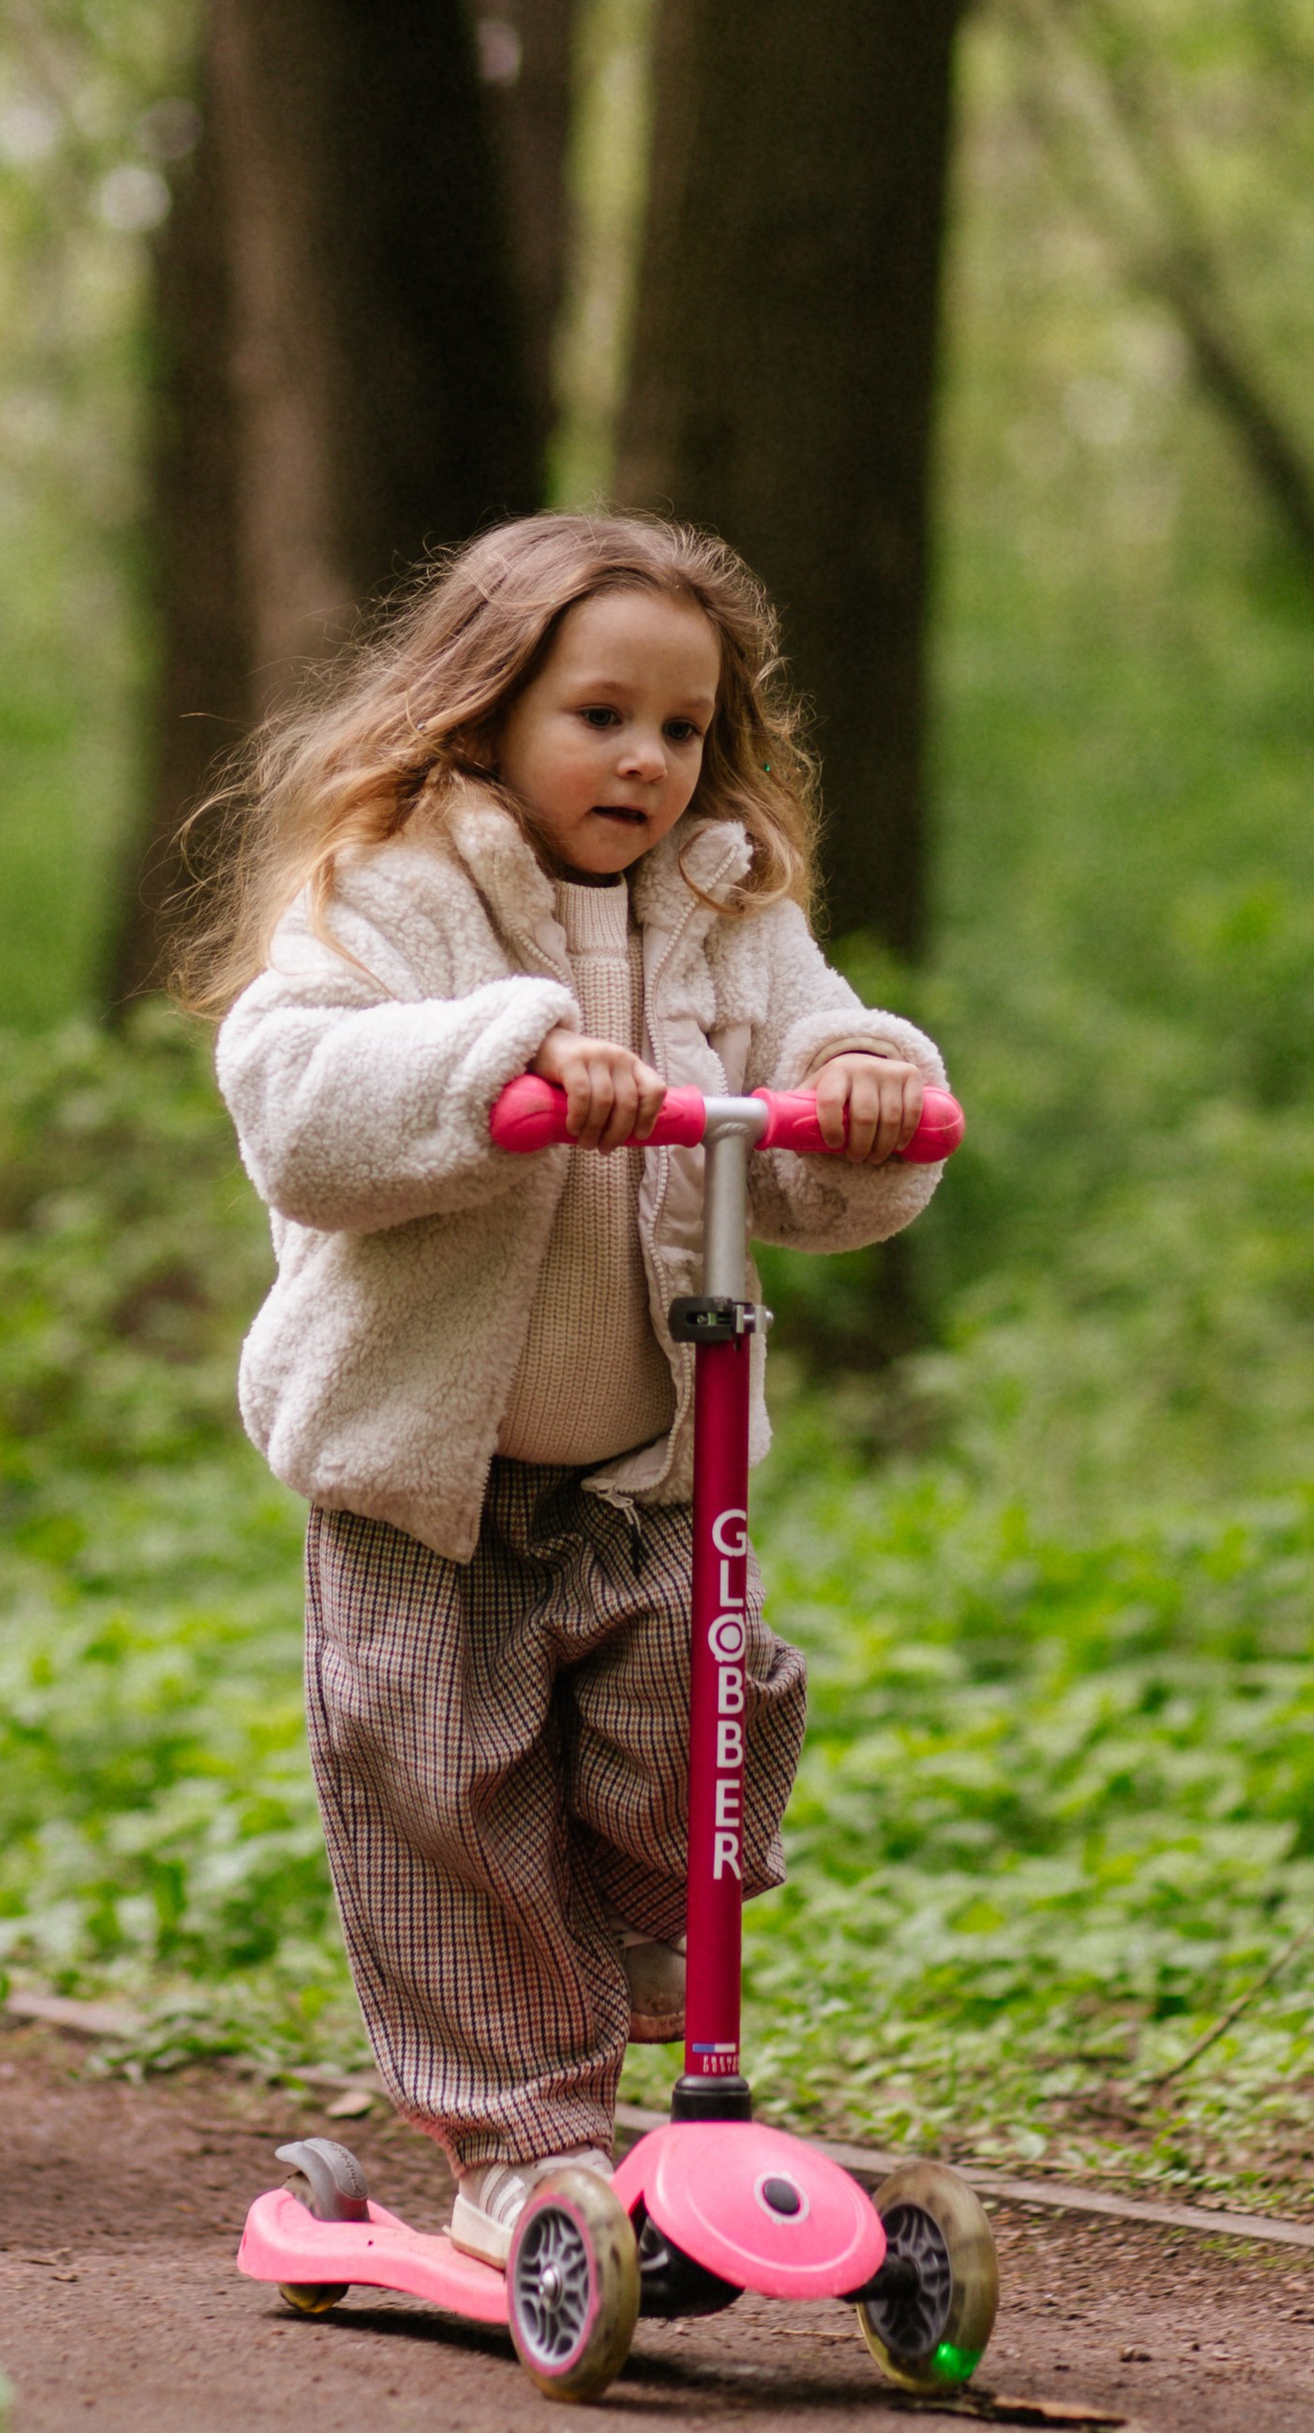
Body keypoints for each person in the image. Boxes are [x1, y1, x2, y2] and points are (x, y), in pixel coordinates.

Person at [201, 513, 950, 2266]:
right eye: (601, 715)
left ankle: (617, 2005)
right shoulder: (392, 889)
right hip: (422, 1481)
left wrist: (857, 1081)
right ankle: (515, 2156)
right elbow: (294, 1095)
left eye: (683, 730)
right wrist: (500, 1062)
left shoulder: (730, 913)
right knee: (445, 1812)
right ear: (488, 707)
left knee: (702, 1736)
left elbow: (828, 1089)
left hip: (646, 1472)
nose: (648, 761)